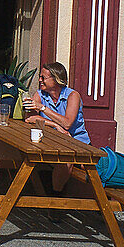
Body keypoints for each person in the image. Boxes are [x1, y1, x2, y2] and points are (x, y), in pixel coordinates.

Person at [24, 61, 89, 191]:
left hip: (76, 141)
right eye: (40, 77)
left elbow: (67, 123)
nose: (40, 80)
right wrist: (55, 125)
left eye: (44, 77)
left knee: (66, 159)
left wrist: (42, 108)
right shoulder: (40, 94)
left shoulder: (72, 95)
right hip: (53, 140)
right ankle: (51, 196)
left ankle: (55, 197)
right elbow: (29, 118)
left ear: (56, 79)